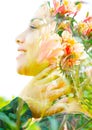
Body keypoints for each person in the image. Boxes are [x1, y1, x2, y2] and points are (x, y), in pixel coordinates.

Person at [0, 0, 92, 129]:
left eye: (34, 27)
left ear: (65, 43)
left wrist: (20, 106)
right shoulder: (73, 121)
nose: (18, 37)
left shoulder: (64, 124)